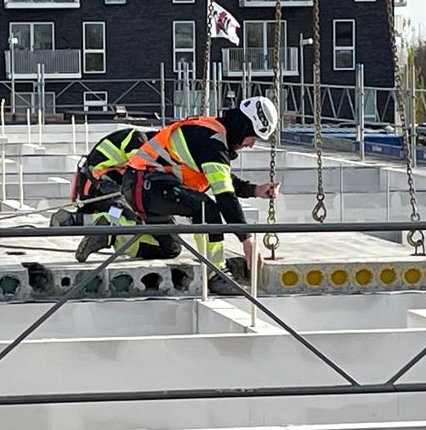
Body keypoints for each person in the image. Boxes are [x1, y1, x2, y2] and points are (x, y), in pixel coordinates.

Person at [75, 96, 280, 294]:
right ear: (244, 127)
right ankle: (215, 273)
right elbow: (224, 195)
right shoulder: (212, 141)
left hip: (147, 187)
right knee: (205, 207)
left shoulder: (211, 136)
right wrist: (246, 239)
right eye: (254, 137)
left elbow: (221, 178)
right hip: (146, 185)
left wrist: (255, 190)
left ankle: (111, 235)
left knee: (169, 247)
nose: (251, 144)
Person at [50, 127, 182, 262]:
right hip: (102, 189)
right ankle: (109, 233)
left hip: (96, 190)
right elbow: (143, 173)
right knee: (130, 215)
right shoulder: (138, 140)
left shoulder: (133, 138)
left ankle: (72, 219)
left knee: (128, 216)